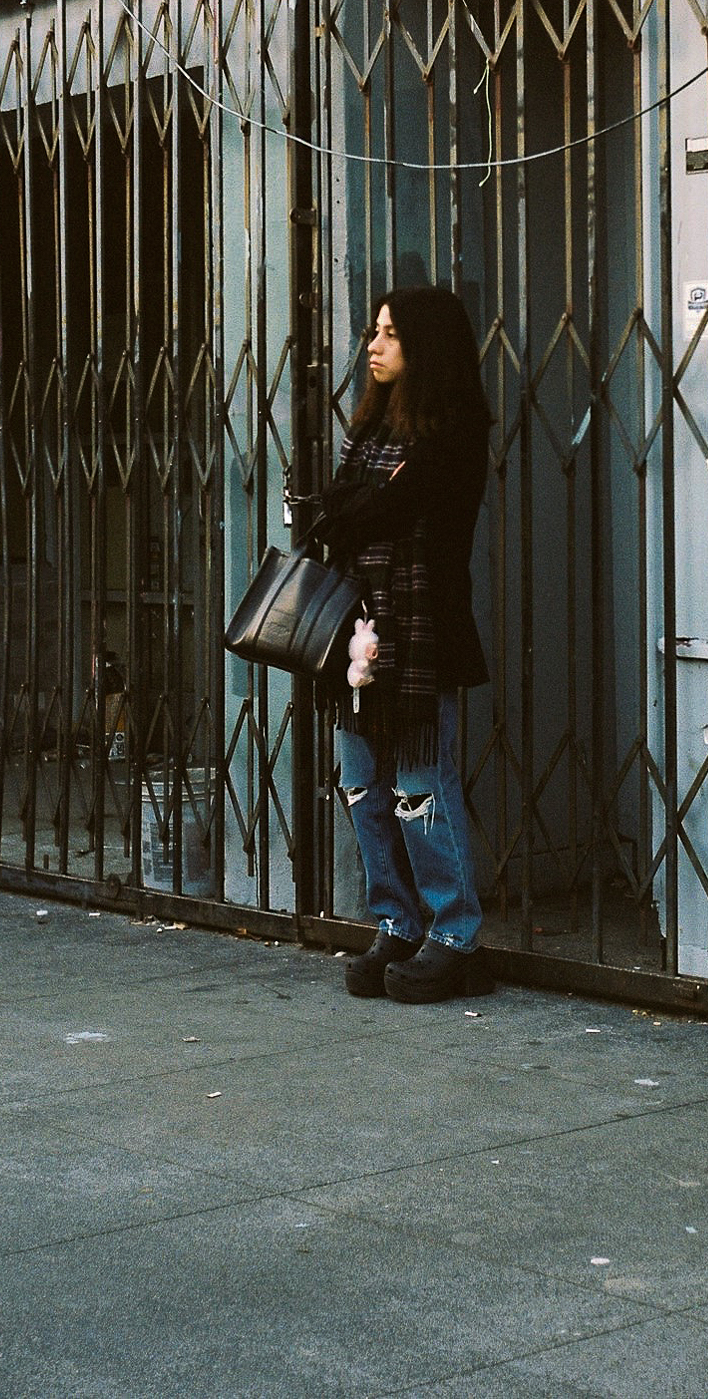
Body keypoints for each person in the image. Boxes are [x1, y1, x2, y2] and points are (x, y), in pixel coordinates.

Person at [308, 284, 492, 1004]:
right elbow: (334, 514)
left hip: (419, 636)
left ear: (427, 348)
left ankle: (456, 935)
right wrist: (348, 509)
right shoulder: (372, 431)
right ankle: (397, 919)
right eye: (373, 332)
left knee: (421, 786)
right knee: (361, 783)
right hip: (354, 637)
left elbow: (377, 508)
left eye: (390, 335)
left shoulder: (453, 430)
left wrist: (348, 509)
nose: (374, 346)